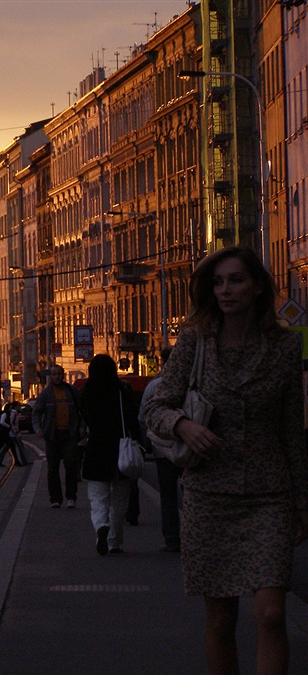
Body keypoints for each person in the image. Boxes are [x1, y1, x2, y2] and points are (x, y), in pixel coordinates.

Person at [144, 246, 308, 675]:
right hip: (209, 496)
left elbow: (292, 430)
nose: (225, 290)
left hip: (268, 496)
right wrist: (183, 425)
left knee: (271, 615)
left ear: (257, 287)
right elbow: (155, 407)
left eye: (236, 280)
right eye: (218, 282)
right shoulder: (195, 342)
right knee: (220, 620)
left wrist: (302, 501)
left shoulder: (285, 348)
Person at [80, 354, 142, 555]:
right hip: (121, 449)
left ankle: (101, 527)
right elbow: (133, 418)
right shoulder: (122, 390)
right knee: (120, 500)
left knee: (98, 497)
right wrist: (139, 442)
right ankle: (115, 541)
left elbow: (85, 419)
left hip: (97, 449)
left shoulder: (87, 392)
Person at [139, 346, 182, 552]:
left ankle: (172, 538)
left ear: (163, 362)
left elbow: (143, 416)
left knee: (168, 495)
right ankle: (196, 536)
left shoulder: (154, 385)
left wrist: (147, 439)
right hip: (190, 447)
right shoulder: (193, 382)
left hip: (162, 448)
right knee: (193, 493)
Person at [32, 364, 83, 508]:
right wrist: (38, 429)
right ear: (50, 376)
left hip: (69, 434)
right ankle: (55, 498)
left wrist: (82, 427)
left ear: (63, 375)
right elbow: (36, 413)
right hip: (52, 435)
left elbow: (82, 411)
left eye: (59, 374)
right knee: (53, 468)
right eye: (54, 374)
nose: (57, 377)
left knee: (71, 466)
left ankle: (71, 497)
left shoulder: (72, 391)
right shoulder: (46, 394)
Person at [0, 402, 26, 468]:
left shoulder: (8, 414)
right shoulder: (4, 414)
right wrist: (8, 426)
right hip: (3, 435)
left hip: (5, 434)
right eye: (10, 408)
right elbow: (1, 422)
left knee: (10, 447)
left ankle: (16, 461)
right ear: (7, 408)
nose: (11, 409)